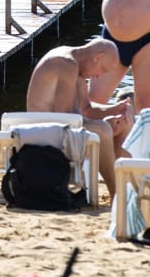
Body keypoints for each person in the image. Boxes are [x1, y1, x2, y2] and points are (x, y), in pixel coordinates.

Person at [26, 38, 133, 196]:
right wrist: (103, 123)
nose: (98, 76)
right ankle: (117, 193)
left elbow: (86, 109)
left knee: (122, 124)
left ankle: (125, 184)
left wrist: (115, 109)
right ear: (98, 57)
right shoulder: (66, 64)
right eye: (102, 70)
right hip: (44, 131)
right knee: (103, 130)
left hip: (59, 126)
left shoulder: (77, 67)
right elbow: (64, 115)